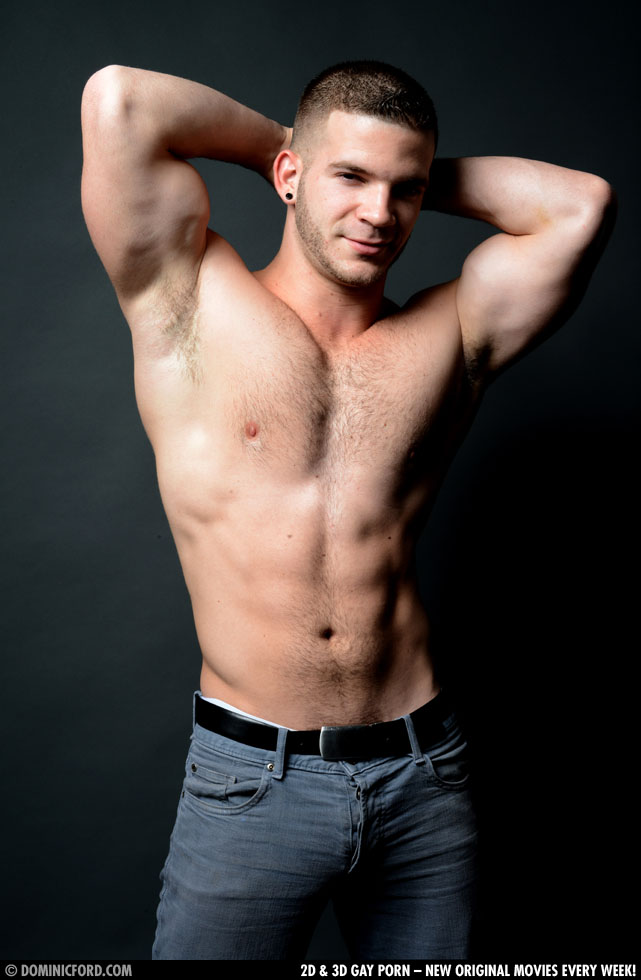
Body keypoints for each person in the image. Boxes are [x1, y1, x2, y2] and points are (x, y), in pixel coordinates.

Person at [80, 60, 614, 960]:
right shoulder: (188, 298)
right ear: (289, 174)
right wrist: (286, 146)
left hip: (424, 776)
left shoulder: (450, 334)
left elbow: (581, 205)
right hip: (254, 780)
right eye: (352, 178)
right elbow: (119, 100)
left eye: (404, 190)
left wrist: (396, 170)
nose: (378, 213)